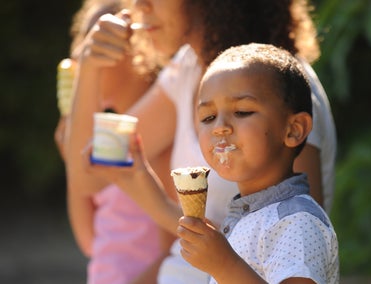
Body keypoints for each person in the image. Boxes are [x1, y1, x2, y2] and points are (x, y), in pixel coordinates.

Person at [70, 0, 336, 282]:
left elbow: (295, 238)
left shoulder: (282, 88)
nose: (139, 5)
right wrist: (89, 68)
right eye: (207, 117)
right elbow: (88, 176)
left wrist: (156, 203)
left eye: (242, 112)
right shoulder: (185, 69)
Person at [178, 42, 339, 284]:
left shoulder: (296, 221)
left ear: (294, 130)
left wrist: (224, 265)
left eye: (242, 111)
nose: (220, 127)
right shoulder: (246, 217)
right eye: (208, 117)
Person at [56, 1, 176, 283]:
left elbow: (173, 250)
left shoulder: (153, 142)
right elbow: (90, 242)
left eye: (97, 43)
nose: (79, 58)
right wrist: (71, 160)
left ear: (138, 53)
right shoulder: (106, 141)